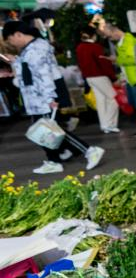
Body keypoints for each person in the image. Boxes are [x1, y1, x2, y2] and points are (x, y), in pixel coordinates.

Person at [4, 20, 103, 174]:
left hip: (41, 97)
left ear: (18, 34)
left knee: (47, 131)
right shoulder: (31, 49)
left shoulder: (36, 50)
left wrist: (50, 98)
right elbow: (28, 74)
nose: (12, 43)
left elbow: (44, 76)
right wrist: (16, 63)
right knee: (44, 131)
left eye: (10, 39)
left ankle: (88, 151)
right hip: (36, 97)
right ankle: (57, 158)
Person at [102, 21, 136, 137]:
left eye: (109, 35)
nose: (110, 38)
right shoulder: (122, 42)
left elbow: (135, 59)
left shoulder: (128, 41)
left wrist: (117, 60)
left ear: (113, 31)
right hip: (131, 79)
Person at [76, 26, 120, 133]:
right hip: (100, 76)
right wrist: (113, 78)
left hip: (89, 77)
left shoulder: (79, 47)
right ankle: (110, 124)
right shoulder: (96, 47)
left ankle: (105, 125)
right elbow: (104, 63)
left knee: (101, 101)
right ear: (93, 35)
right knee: (113, 100)